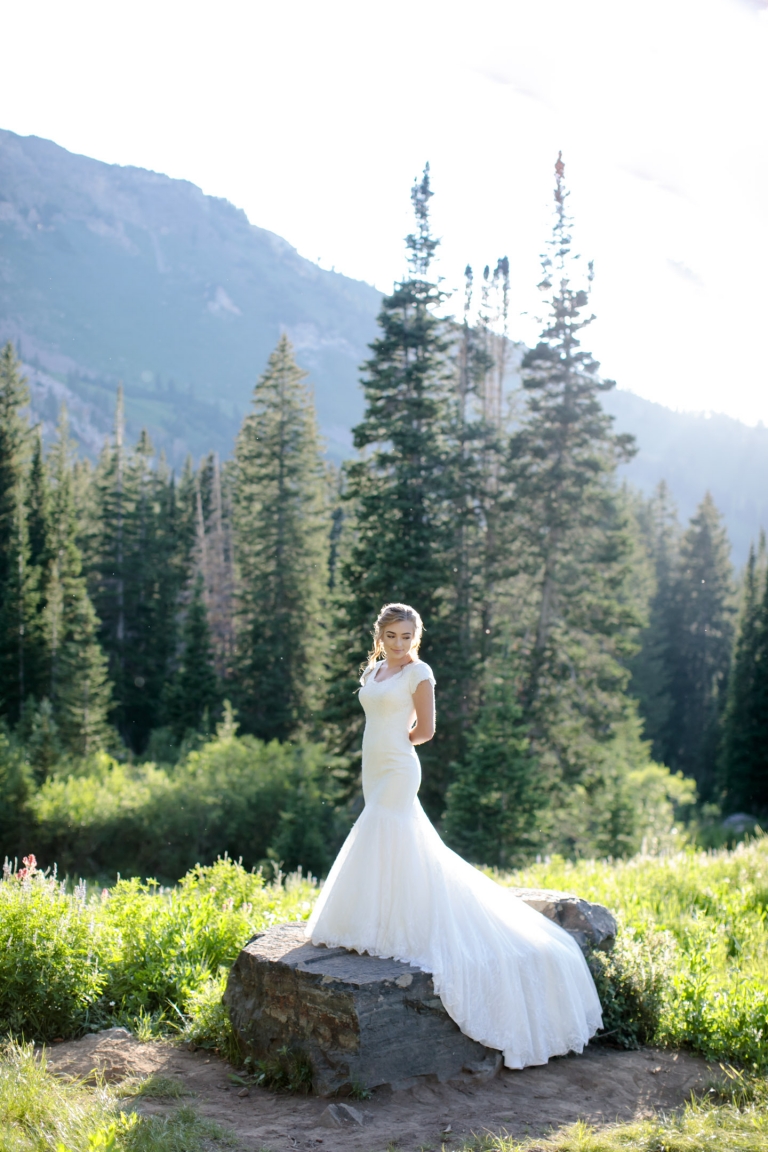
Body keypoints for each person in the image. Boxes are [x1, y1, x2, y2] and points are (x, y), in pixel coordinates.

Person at [306, 602, 603, 1069]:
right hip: (373, 766)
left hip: (399, 767)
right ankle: (377, 919)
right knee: (385, 839)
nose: (399, 644)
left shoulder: (419, 673)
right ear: (380, 636)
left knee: (386, 829)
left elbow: (425, 730)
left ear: (416, 637)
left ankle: (399, 925)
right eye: (391, 636)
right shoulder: (373, 672)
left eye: (407, 636)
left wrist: (397, 740)